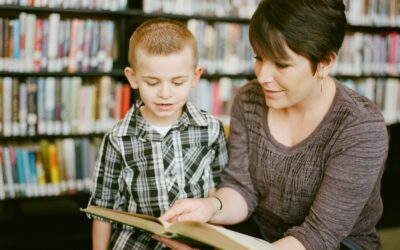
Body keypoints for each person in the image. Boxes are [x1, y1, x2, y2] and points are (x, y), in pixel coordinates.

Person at [158, 0, 389, 250]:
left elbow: (320, 235)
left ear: (325, 63)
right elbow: (241, 189)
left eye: (281, 64)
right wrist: (211, 208)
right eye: (259, 57)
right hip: (259, 237)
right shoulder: (249, 100)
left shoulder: (360, 126)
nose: (262, 76)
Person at [87, 18, 228, 250]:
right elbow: (103, 208)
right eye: (152, 82)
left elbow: (218, 189)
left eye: (177, 82)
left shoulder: (211, 128)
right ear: (133, 78)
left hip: (192, 244)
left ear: (195, 77)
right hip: (135, 244)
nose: (165, 93)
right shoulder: (118, 138)